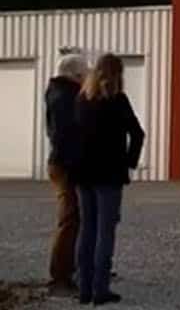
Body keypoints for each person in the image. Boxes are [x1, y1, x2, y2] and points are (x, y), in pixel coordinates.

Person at [70, 54, 144, 305]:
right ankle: (100, 289)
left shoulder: (81, 100)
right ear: (118, 75)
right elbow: (138, 133)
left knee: (86, 229)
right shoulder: (118, 100)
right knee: (105, 232)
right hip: (109, 175)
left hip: (83, 173)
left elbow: (72, 136)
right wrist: (129, 162)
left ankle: (83, 288)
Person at [44, 54, 89, 297]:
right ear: (76, 75)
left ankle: (72, 269)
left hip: (62, 164)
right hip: (65, 166)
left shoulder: (59, 93)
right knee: (69, 218)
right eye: (84, 74)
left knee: (74, 217)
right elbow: (64, 136)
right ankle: (59, 278)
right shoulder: (65, 97)